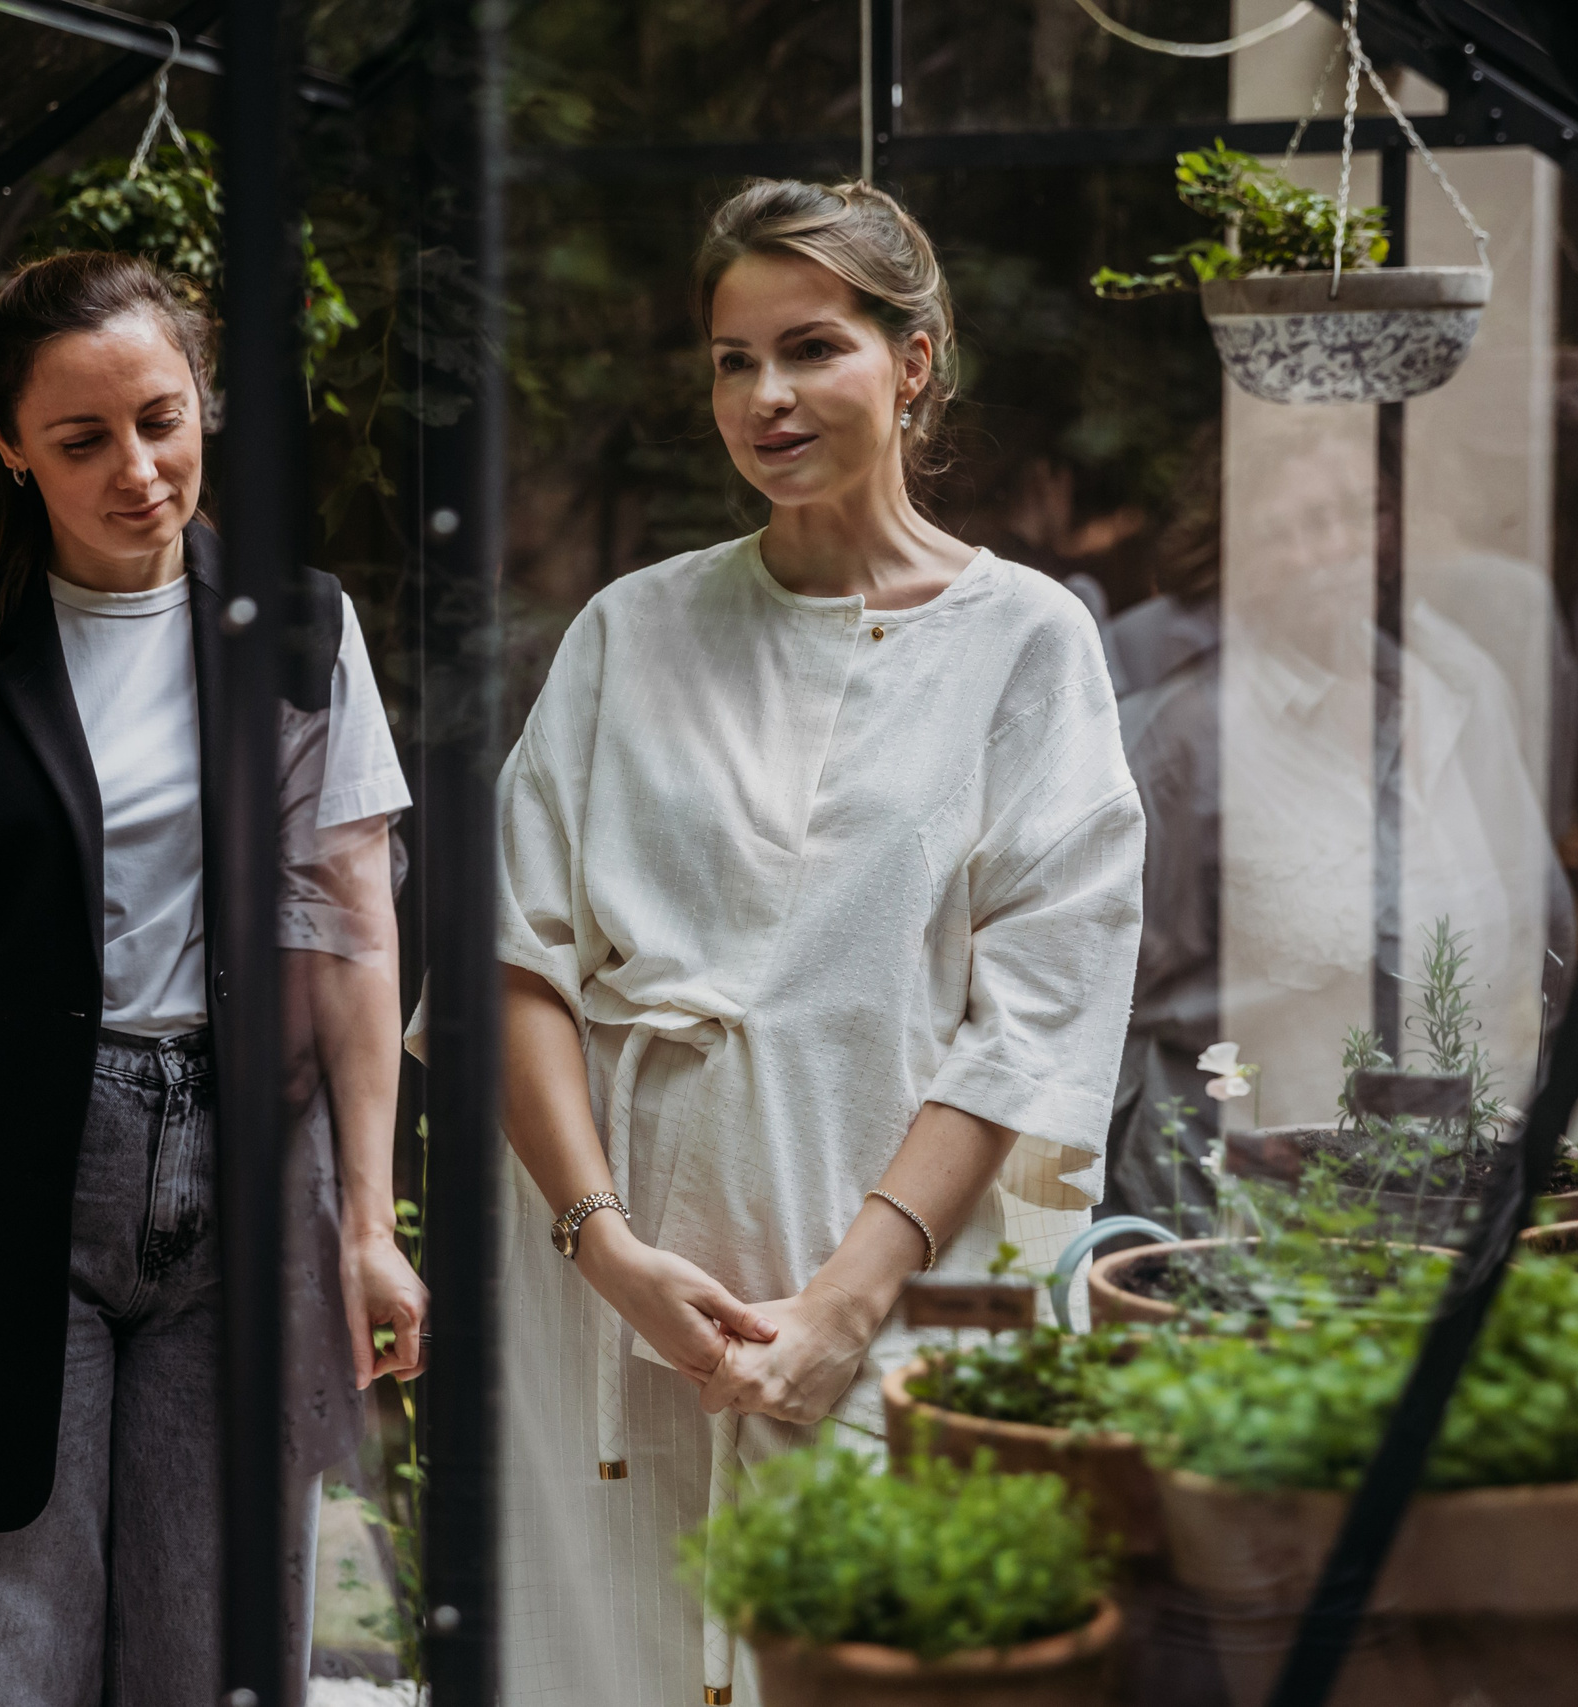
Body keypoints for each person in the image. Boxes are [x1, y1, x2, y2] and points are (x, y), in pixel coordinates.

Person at [493, 180, 1144, 1703]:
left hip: (901, 1293)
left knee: (862, 1666)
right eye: (731, 359)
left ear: (912, 363)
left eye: (812, 347)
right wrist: (611, 1250)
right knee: (617, 1665)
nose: (765, 396)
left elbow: (1038, 1019)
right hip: (619, 1296)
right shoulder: (629, 631)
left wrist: (849, 1306)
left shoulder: (1028, 644)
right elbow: (515, 965)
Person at [0, 250, 425, 1706]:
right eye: (81, 440)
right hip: (0, 1189)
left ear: (203, 401)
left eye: (161, 417)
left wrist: (369, 1227)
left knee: (211, 1657)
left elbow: (354, 934)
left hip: (252, 1178)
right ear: (9, 447)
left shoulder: (304, 634)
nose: (137, 469)